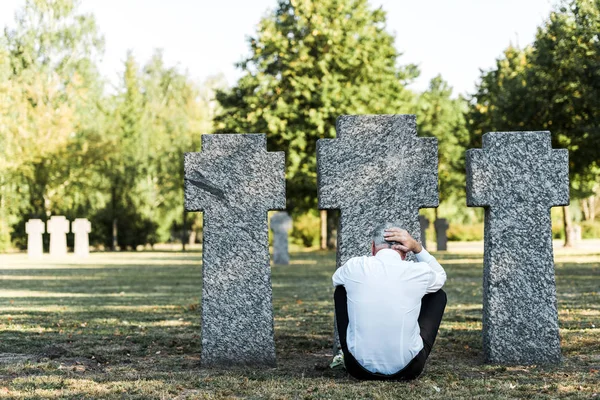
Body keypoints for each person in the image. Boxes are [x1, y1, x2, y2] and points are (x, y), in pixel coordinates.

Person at [332, 222, 447, 380]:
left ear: (373, 247)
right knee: (437, 295)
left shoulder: (354, 266)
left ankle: (355, 352)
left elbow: (336, 279)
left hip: (357, 368)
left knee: (341, 290)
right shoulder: (419, 271)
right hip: (409, 369)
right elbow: (441, 276)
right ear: (405, 252)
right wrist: (417, 247)